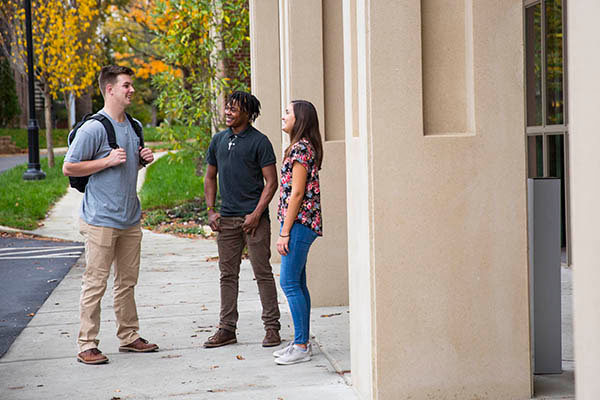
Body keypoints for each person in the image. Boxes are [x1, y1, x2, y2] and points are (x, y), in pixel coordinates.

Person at [63, 65, 158, 365]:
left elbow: (127, 167)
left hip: (130, 219)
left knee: (127, 282)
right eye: (126, 85)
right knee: (96, 282)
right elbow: (69, 167)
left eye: (132, 85)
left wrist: (143, 160)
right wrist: (105, 161)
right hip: (100, 219)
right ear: (110, 89)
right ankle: (86, 343)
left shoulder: (135, 126)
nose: (132, 90)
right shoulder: (94, 128)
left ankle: (128, 336)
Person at [203, 91, 281, 348]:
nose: (228, 111)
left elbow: (272, 182)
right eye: (227, 107)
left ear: (248, 113)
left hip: (255, 220)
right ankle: (227, 329)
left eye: (234, 108)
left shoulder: (260, 142)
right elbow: (210, 177)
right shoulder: (218, 140)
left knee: (263, 273)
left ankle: (272, 328)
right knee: (227, 275)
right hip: (226, 220)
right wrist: (211, 210)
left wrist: (256, 214)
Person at [272, 100, 323, 365]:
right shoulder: (300, 147)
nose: (283, 116)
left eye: (287, 112)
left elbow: (298, 193)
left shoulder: (300, 149)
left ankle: (301, 345)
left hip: (300, 224)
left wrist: (285, 232)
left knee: (289, 283)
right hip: (300, 223)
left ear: (300, 118)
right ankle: (300, 340)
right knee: (298, 284)